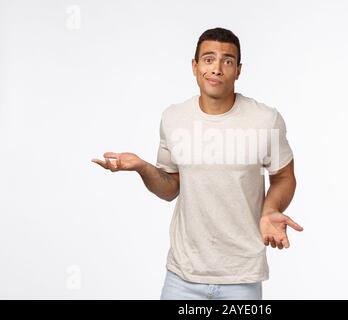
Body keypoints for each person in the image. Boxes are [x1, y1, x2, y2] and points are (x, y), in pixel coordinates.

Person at [92, 27, 303, 300]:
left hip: (241, 275)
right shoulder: (174, 118)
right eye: (208, 59)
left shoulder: (265, 120)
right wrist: (142, 167)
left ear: (238, 70)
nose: (216, 68)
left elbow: (284, 176)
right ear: (194, 66)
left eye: (227, 61)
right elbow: (170, 188)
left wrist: (270, 209)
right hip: (183, 276)